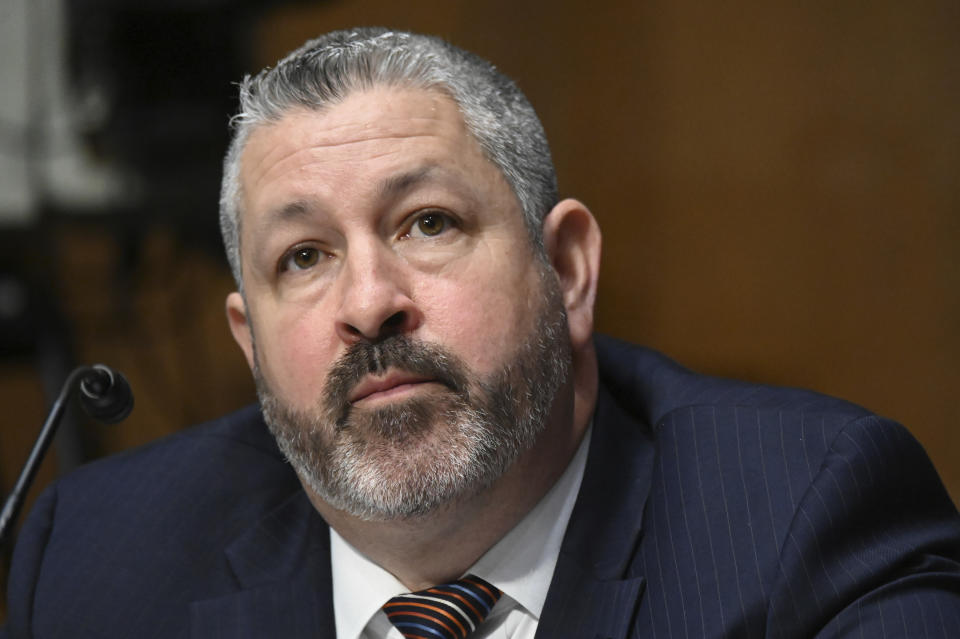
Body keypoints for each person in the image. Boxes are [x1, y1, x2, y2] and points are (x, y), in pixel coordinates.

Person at [4, 27, 960, 638]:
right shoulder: (99, 556)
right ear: (250, 344)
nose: (369, 303)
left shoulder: (804, 521)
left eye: (429, 222)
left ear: (569, 270)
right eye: (304, 256)